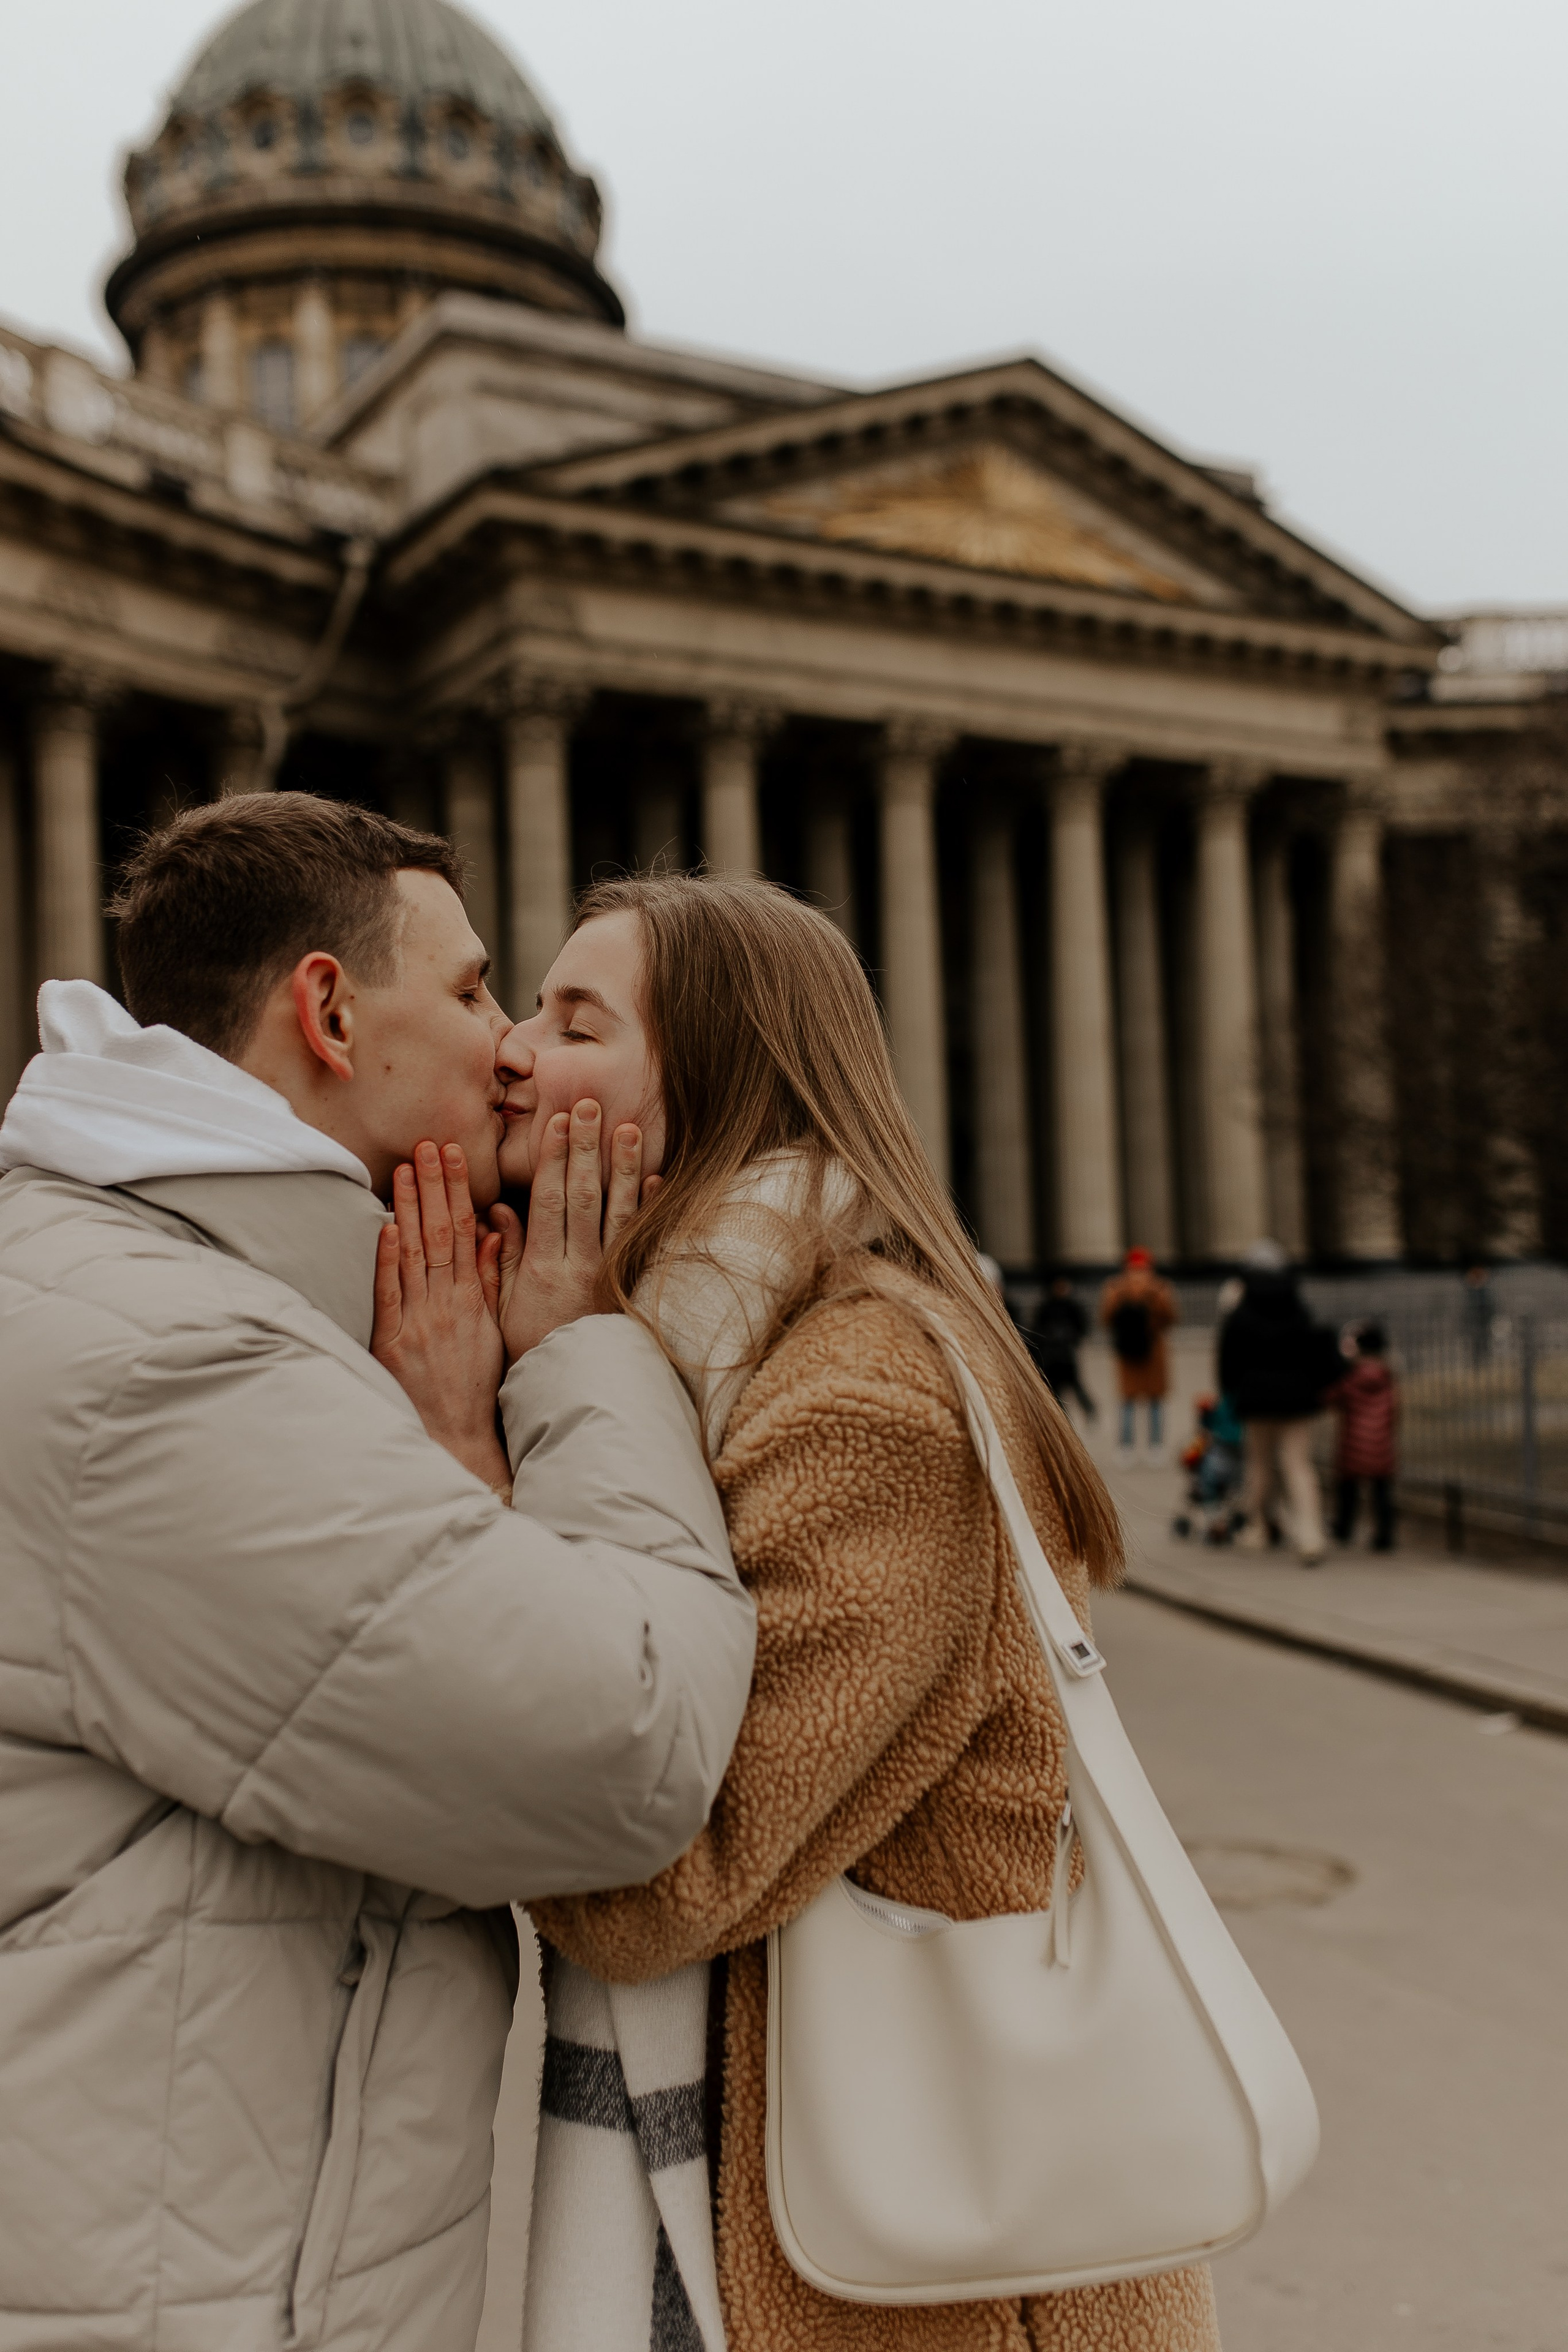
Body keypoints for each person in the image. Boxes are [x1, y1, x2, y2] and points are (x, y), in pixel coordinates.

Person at [382, 872, 1221, 2352]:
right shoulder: (706, 1370)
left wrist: (467, 1467)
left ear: (710, 1091)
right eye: (525, 1004)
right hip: (805, 2231)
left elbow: (661, 1881)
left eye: (573, 1023)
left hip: (925, 2282)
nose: (511, 1044)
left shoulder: (868, 1399)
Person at [0, 795, 755, 2352]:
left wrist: (442, 1444)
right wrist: (583, 1342)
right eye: (479, 990)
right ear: (331, 1009)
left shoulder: (159, 1296)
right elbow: (624, 1740)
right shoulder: (168, 1362)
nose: (510, 1049)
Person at [1218, 1241, 1343, 1567]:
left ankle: (1256, 1527)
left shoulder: (1241, 1313)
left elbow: (1228, 1364)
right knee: (1298, 1466)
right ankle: (1311, 1534)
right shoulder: (1297, 1308)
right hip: (1296, 1397)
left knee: (1259, 1466)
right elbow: (1314, 1353)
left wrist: (1233, 1392)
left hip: (1256, 1398)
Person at [1099, 1245, 1177, 1464]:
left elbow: (1106, 1318)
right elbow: (1172, 1317)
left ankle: (1126, 1448)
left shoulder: (1115, 1288)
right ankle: (1156, 1448)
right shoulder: (1160, 1287)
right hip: (1154, 1349)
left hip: (1126, 1351)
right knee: (1155, 1401)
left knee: (1127, 1401)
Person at [1330, 1321, 1399, 1550]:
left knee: (1347, 1489)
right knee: (1382, 1493)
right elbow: (1395, 1410)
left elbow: (1333, 1397)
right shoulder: (1387, 1377)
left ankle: (1343, 1527)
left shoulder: (1352, 1377)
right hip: (1381, 1443)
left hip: (1354, 1443)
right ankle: (1385, 1535)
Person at [1022, 1273, 1098, 1421]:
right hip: (1051, 1356)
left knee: (1075, 1384)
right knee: (1055, 1388)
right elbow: (1037, 1330)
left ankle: (1089, 1410)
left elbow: (1082, 1327)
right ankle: (1061, 1415)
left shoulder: (1072, 1306)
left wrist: (1071, 1337)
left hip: (1066, 1354)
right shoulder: (1046, 1306)